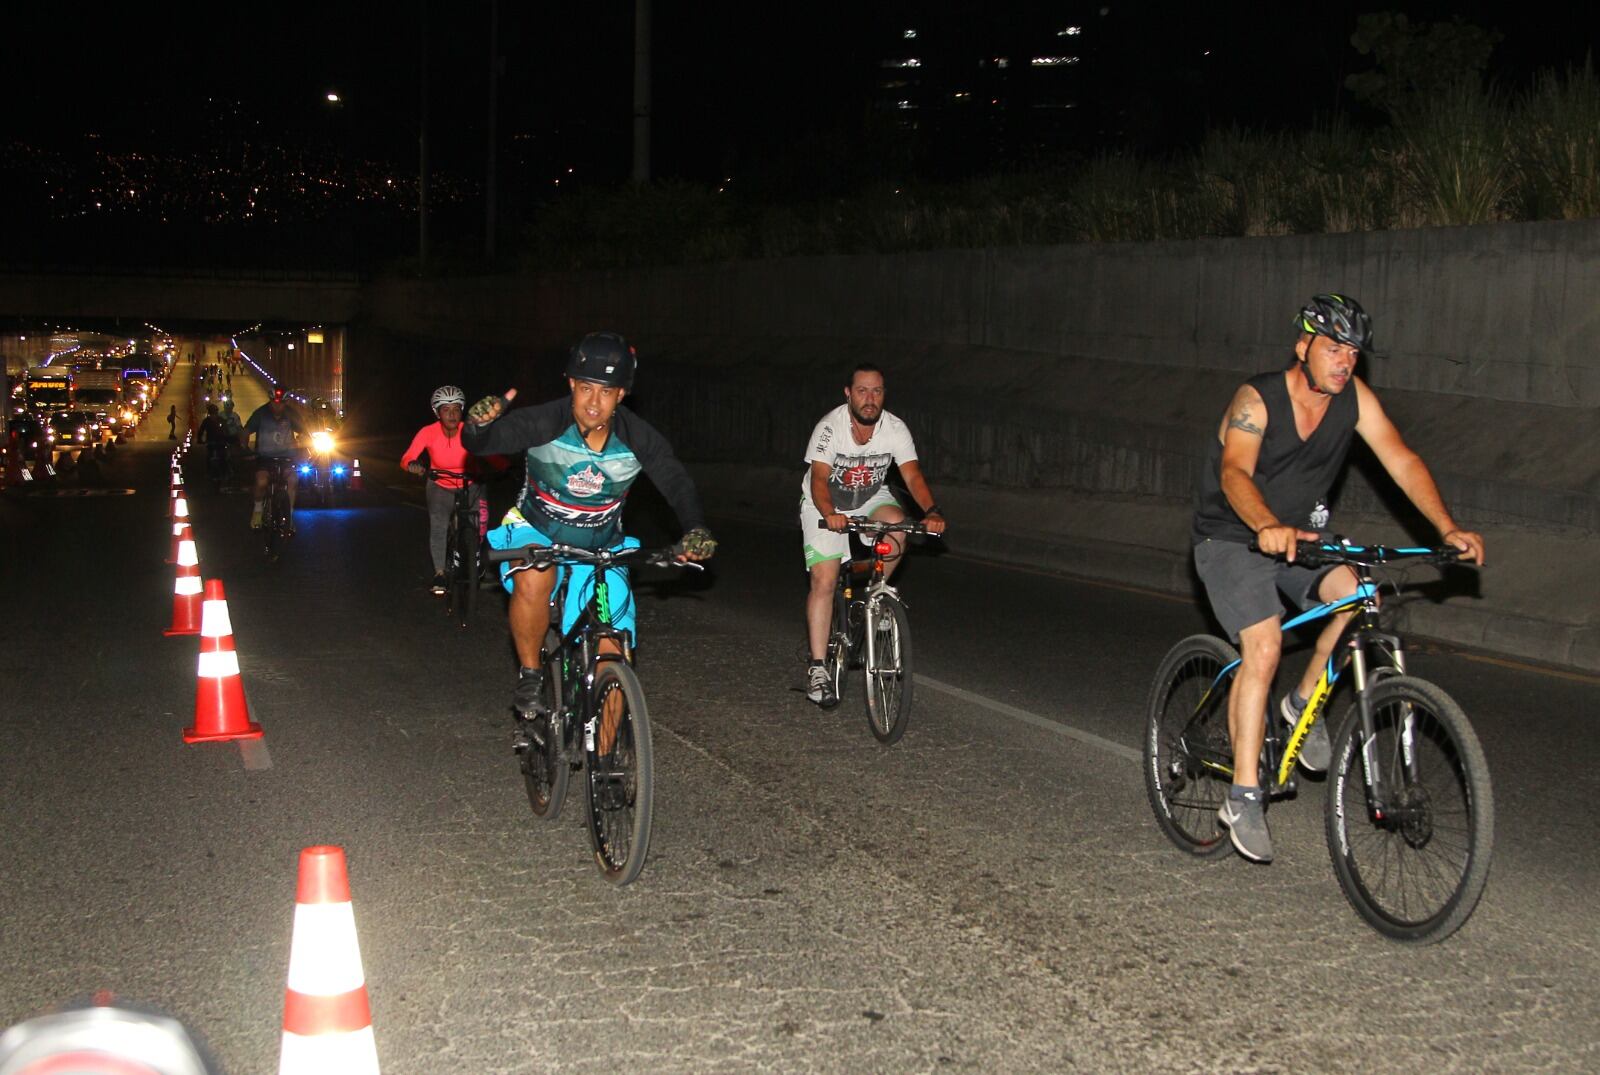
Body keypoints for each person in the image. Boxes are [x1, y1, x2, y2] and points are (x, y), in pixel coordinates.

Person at [1192, 293, 1485, 864]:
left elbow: (1399, 458)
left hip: (1301, 538)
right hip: (1232, 537)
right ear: (1303, 347)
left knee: (1359, 591)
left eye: (1353, 351)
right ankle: (1244, 796)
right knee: (1265, 643)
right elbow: (1234, 472)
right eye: (1333, 348)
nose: (1344, 361)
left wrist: (1447, 527)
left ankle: (1303, 703)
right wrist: (1266, 523)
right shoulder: (1258, 399)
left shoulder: (1354, 399)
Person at [461, 331, 717, 717]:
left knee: (612, 653)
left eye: (606, 392)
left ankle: (611, 770)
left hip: (600, 546)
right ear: (571, 385)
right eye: (585, 388)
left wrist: (695, 527)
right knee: (536, 570)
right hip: (533, 530)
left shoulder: (636, 437)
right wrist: (478, 427)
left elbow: (676, 482)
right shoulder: (546, 420)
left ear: (621, 394)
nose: (593, 402)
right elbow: (482, 445)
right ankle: (531, 673)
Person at [800, 364, 947, 708]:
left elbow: (912, 476)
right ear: (848, 393)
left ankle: (877, 596)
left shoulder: (894, 429)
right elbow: (820, 478)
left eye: (877, 391)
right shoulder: (829, 428)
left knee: (898, 526)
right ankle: (818, 668)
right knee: (825, 579)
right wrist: (830, 515)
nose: (870, 399)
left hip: (868, 496)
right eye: (863, 391)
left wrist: (932, 511)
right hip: (824, 503)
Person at [402, 385, 481, 595]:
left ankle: (475, 558)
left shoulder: (470, 430)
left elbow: (489, 452)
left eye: (456, 409)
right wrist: (412, 464)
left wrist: (504, 466)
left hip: (469, 483)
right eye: (446, 409)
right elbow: (408, 456)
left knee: (477, 521)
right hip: (440, 483)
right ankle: (439, 573)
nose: (452, 414)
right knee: (438, 524)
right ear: (437, 412)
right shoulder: (428, 432)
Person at [244, 387, 305, 531]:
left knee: (293, 480)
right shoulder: (260, 413)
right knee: (261, 481)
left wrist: (304, 444)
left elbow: (304, 430)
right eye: (274, 403)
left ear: (286, 403)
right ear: (270, 401)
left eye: (281, 403)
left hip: (287, 458)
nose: (278, 406)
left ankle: (289, 516)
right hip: (265, 458)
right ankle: (258, 510)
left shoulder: (291, 414)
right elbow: (246, 431)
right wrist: (244, 445)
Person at [197, 402, 230, 489]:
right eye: (212, 413)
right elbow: (200, 431)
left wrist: (227, 439)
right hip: (211, 443)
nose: (213, 415)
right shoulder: (207, 421)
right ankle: (210, 472)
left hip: (220, 443)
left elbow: (226, 431)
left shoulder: (220, 420)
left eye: (214, 413)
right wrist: (199, 439)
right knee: (209, 457)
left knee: (223, 458)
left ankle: (224, 473)